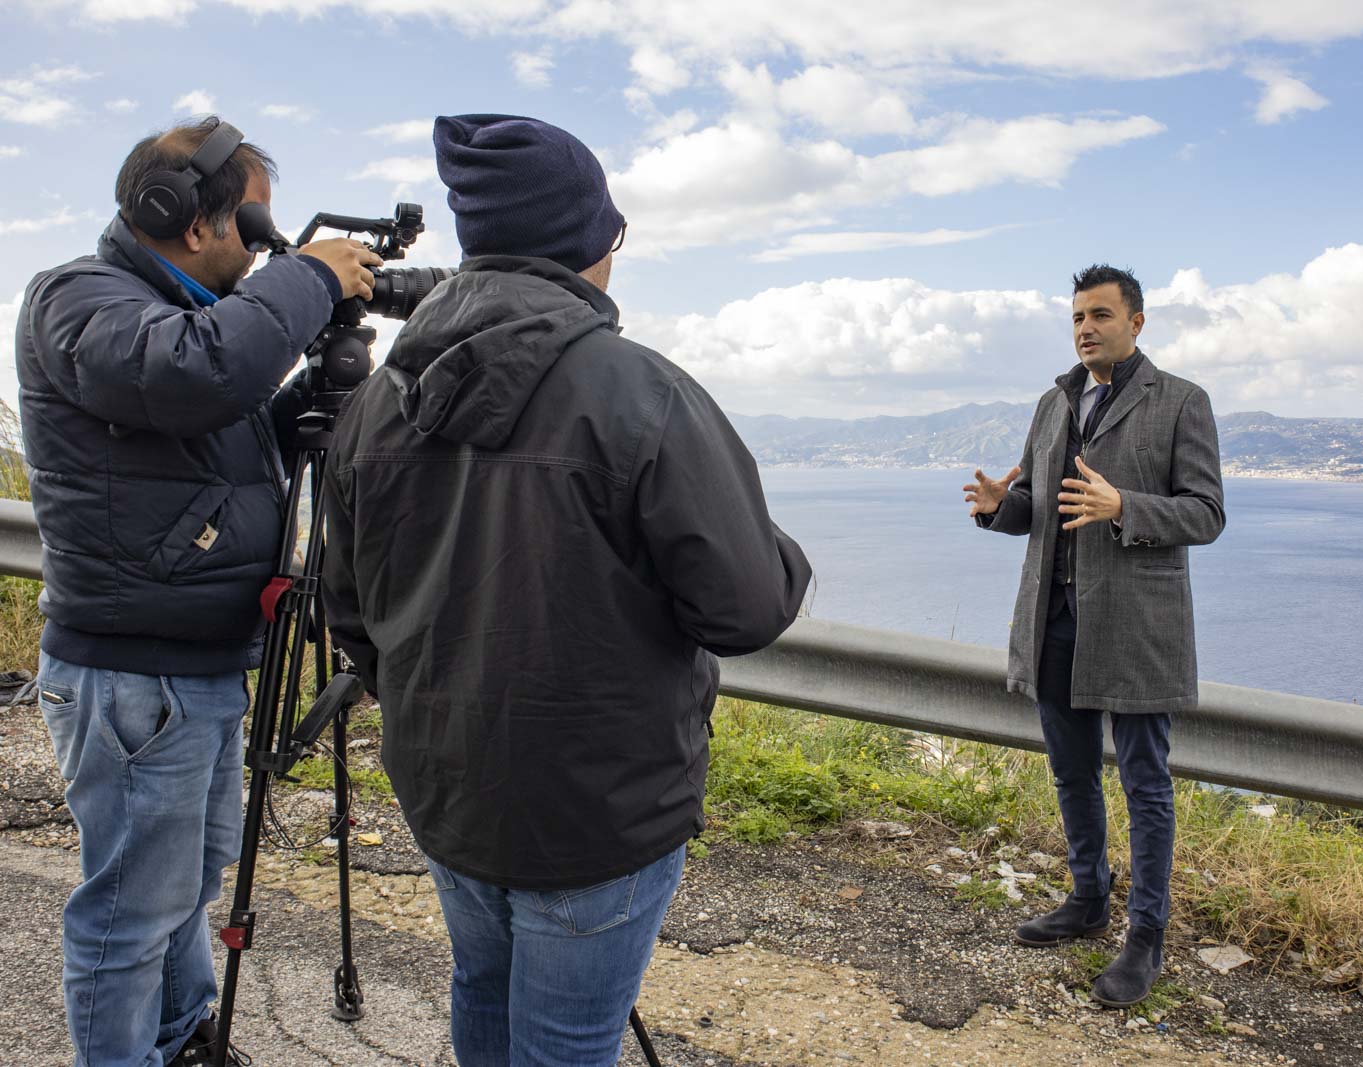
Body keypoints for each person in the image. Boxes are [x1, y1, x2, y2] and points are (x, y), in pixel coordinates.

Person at [320, 113, 812, 1067]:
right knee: (567, 1040)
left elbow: (353, 610)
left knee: (482, 991)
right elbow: (746, 607)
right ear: (591, 241)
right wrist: (775, 546)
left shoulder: (376, 401)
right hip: (601, 807)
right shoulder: (640, 392)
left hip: (447, 786)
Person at [15, 115, 382, 1066]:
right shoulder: (78, 298)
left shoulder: (174, 318)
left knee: (184, 888)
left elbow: (199, 427)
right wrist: (311, 272)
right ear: (185, 219)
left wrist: (289, 412)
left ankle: (180, 1039)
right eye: (254, 231)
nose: (263, 256)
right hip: (137, 674)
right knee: (131, 911)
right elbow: (187, 378)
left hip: (203, 669)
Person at [964, 264, 1224, 1007]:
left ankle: (1147, 934)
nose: (1085, 328)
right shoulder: (1055, 403)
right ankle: (1088, 897)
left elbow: (1206, 513)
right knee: (1071, 770)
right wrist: (997, 508)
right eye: (1077, 316)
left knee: (1145, 782)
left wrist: (1124, 506)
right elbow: (1038, 511)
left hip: (1138, 624)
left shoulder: (1181, 402)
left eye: (1101, 315)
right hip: (1055, 618)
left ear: (1136, 322)